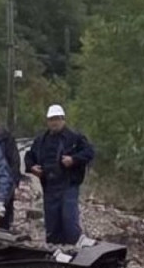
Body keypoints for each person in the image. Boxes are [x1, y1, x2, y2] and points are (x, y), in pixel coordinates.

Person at [24, 104, 95, 245]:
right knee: (52, 224)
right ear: (47, 122)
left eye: (57, 119)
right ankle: (55, 250)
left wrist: (73, 159)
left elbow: (89, 152)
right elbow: (29, 157)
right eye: (51, 119)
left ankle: (75, 248)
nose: (54, 122)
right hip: (49, 187)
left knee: (69, 219)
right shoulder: (41, 141)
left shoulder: (75, 138)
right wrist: (31, 167)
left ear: (63, 120)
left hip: (69, 184)